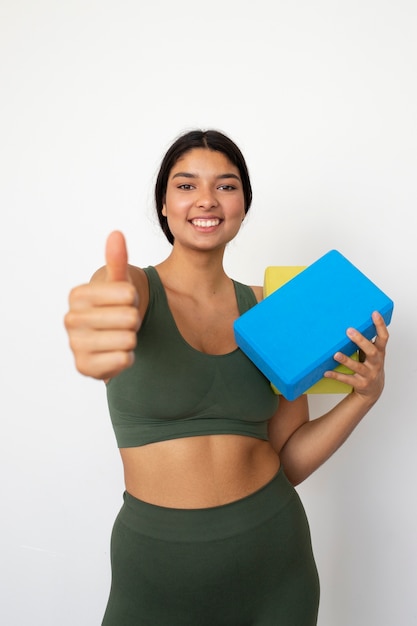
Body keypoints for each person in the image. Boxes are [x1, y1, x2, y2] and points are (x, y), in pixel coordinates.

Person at [64, 129, 388, 625]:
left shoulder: (272, 308)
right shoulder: (135, 288)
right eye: (186, 185)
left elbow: (291, 460)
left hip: (277, 566)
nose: (207, 200)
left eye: (227, 185)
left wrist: (363, 397)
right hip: (157, 573)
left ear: (243, 205)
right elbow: (110, 289)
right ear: (165, 205)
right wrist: (98, 311)